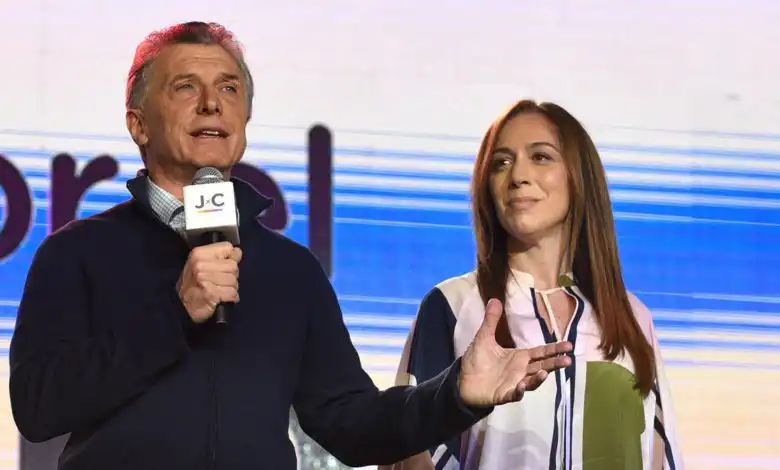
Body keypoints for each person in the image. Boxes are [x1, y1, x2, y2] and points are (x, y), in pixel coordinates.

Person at [8, 23, 574, 470]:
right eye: (185, 87)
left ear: (244, 120)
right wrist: (173, 313)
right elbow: (38, 408)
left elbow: (350, 423)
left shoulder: (289, 269)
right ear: (138, 124)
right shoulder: (76, 254)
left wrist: (457, 395)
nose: (212, 104)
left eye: (228, 88)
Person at [381, 100, 685, 470]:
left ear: (578, 175)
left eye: (541, 157)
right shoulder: (453, 305)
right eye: (501, 162)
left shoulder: (631, 317)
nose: (518, 175)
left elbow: (660, 454)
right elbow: (407, 452)